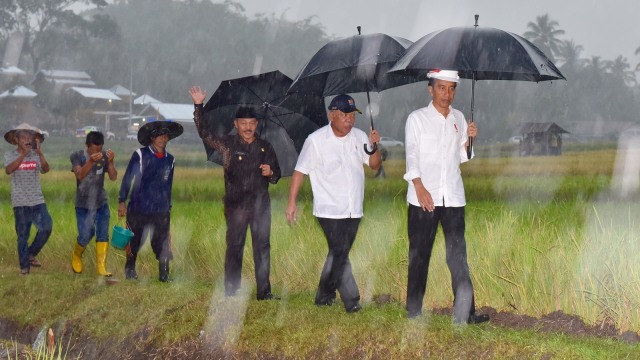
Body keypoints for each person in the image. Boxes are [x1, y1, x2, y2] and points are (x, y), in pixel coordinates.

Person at [403, 69, 489, 324]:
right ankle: (414, 313)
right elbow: (411, 156)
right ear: (430, 89)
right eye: (441, 88)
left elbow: (462, 157)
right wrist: (418, 186)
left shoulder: (460, 118)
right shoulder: (416, 119)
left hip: (452, 197)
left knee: (458, 257)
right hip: (423, 198)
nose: (447, 94)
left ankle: (465, 314)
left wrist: (470, 141)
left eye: (451, 88)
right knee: (420, 255)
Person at [286, 94, 381, 313]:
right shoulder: (316, 140)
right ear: (332, 115)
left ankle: (324, 295)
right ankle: (352, 300)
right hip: (329, 209)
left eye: (352, 115)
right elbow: (300, 171)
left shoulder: (359, 137)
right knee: (340, 252)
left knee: (338, 253)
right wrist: (291, 202)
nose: (349, 119)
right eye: (344, 115)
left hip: (353, 208)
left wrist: (375, 146)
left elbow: (374, 165)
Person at [189, 86, 281, 300]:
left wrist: (271, 172)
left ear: (256, 124)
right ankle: (231, 290)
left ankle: (264, 292)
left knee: (263, 248)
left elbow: (276, 175)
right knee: (235, 246)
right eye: (243, 123)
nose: (248, 127)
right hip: (235, 206)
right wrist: (198, 106)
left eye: (251, 123)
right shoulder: (227, 146)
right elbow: (205, 133)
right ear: (236, 124)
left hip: (261, 207)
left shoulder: (265, 147)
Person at [118, 120, 183, 282]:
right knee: (134, 240)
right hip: (138, 207)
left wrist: (167, 206)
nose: (163, 138)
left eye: (165, 135)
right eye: (159, 135)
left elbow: (169, 185)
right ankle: (130, 270)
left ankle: (164, 274)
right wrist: (122, 201)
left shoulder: (170, 160)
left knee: (161, 242)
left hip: (160, 209)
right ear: (152, 138)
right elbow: (128, 179)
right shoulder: (140, 155)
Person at [3, 123, 53, 275]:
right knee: (23, 235)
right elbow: (8, 170)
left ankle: (31, 254)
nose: (27, 139)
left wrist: (40, 153)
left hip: (37, 199)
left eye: (30, 137)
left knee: (46, 227)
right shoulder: (10, 155)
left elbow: (46, 169)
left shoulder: (36, 155)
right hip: (20, 201)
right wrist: (23, 154)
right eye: (24, 136)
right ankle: (24, 268)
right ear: (16, 139)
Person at [70, 131, 118, 276]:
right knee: (85, 235)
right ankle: (76, 255)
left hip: (101, 202)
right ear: (87, 146)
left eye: (99, 150)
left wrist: (110, 162)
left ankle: (101, 267)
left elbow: (113, 177)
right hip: (83, 204)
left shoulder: (104, 156)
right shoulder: (77, 156)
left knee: (103, 234)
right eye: (92, 150)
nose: (96, 153)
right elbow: (80, 175)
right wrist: (90, 161)